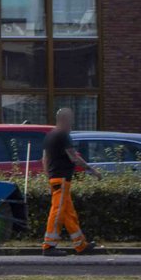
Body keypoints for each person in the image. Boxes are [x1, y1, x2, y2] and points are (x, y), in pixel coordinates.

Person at [41, 107, 103, 256]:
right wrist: (91, 170)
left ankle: (81, 245)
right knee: (58, 212)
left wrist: (48, 176)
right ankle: (48, 246)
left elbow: (44, 159)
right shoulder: (63, 136)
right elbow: (73, 157)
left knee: (69, 213)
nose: (72, 124)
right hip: (62, 179)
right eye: (70, 120)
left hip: (55, 178)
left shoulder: (50, 136)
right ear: (64, 120)